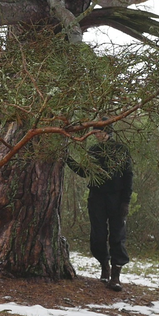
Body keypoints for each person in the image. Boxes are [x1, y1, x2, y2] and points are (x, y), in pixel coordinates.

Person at [66, 120, 133, 291]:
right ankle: (104, 265)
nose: (95, 135)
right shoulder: (93, 150)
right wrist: (67, 159)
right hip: (96, 198)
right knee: (98, 236)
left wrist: (125, 201)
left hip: (117, 198)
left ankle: (116, 277)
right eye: (94, 132)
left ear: (107, 132)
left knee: (117, 236)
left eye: (97, 132)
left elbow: (128, 176)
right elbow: (84, 172)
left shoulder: (121, 150)